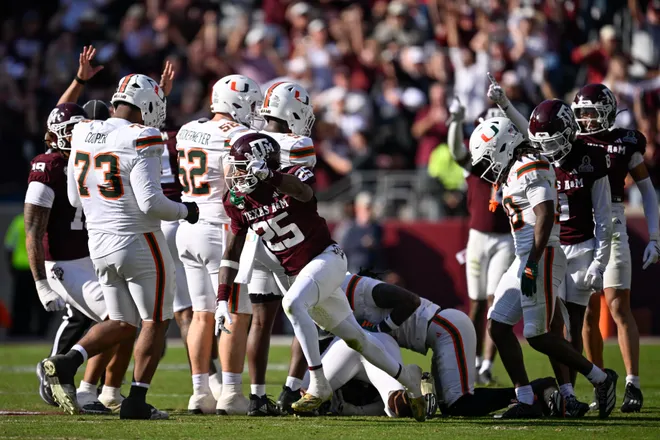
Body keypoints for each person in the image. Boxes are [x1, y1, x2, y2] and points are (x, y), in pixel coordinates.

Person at [216, 131, 426, 420]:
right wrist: (221, 299)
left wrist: (271, 177)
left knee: (291, 304)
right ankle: (409, 378)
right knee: (357, 339)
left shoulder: (290, 176)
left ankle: (317, 383)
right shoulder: (238, 201)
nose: (235, 176)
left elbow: (304, 192)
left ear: (260, 164)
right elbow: (231, 253)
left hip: (328, 259)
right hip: (301, 274)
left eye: (241, 168)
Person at [42, 73, 199, 420]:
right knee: (155, 321)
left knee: (122, 321)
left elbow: (73, 197)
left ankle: (66, 362)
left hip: (97, 241)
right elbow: (150, 203)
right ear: (146, 107)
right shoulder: (142, 136)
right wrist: (186, 210)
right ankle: (136, 401)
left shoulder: (83, 130)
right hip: (139, 239)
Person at [468, 115, 617, 419]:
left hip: (542, 254)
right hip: (524, 256)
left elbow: (546, 214)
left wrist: (533, 263)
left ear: (503, 146)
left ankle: (601, 379)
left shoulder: (531, 165)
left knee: (538, 334)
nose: (487, 166)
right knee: (497, 325)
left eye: (488, 156)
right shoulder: (514, 170)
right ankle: (525, 398)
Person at [27, 102, 135, 414]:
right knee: (120, 319)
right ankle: (81, 384)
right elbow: (33, 229)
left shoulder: (90, 160)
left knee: (126, 318)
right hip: (64, 263)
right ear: (54, 136)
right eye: (69, 131)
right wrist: (41, 283)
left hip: (93, 257)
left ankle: (102, 391)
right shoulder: (48, 167)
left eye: (79, 128)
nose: (75, 135)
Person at [230, 81, 318, 416]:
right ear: (292, 111)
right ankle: (291, 390)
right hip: (287, 239)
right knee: (303, 314)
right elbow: (302, 190)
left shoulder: (241, 140)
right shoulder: (299, 144)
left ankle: (256, 397)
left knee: (261, 320)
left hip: (255, 237)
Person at [176, 74, 261, 414]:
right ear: (236, 102)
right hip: (220, 229)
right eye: (251, 103)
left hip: (188, 226)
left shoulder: (187, 129)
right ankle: (230, 393)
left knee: (201, 314)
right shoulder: (237, 135)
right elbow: (236, 185)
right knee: (236, 314)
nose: (254, 111)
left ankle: (199, 392)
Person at [573, 83, 658, 412]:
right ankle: (599, 383)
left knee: (618, 306)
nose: (586, 121)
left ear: (607, 110)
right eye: (581, 114)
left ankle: (632, 383)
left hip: (614, 221)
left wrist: (656, 237)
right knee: (586, 312)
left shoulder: (625, 142)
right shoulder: (573, 141)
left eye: (591, 113)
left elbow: (648, 191)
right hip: (581, 226)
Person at [447, 101, 514, 385]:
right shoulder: (475, 162)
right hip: (479, 237)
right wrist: (454, 122)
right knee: (475, 304)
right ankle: (473, 362)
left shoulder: (512, 161)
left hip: (504, 239)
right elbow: (455, 152)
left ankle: (486, 365)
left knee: (494, 303)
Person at [5, 212, 48, 337]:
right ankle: (40, 333)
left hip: (21, 268)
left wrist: (11, 266)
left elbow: (9, 246)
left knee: (21, 302)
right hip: (40, 268)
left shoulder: (18, 221)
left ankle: (19, 332)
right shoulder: (44, 221)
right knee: (41, 302)